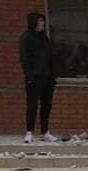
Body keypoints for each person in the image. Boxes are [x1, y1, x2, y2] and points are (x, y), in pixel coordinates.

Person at [19, 12, 57, 143]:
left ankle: (44, 132)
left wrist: (53, 77)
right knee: (32, 105)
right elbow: (24, 59)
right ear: (34, 22)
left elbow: (50, 58)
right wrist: (29, 76)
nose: (43, 23)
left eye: (43, 20)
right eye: (40, 20)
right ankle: (29, 132)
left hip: (47, 78)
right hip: (34, 77)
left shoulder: (45, 39)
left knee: (46, 105)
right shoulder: (26, 37)